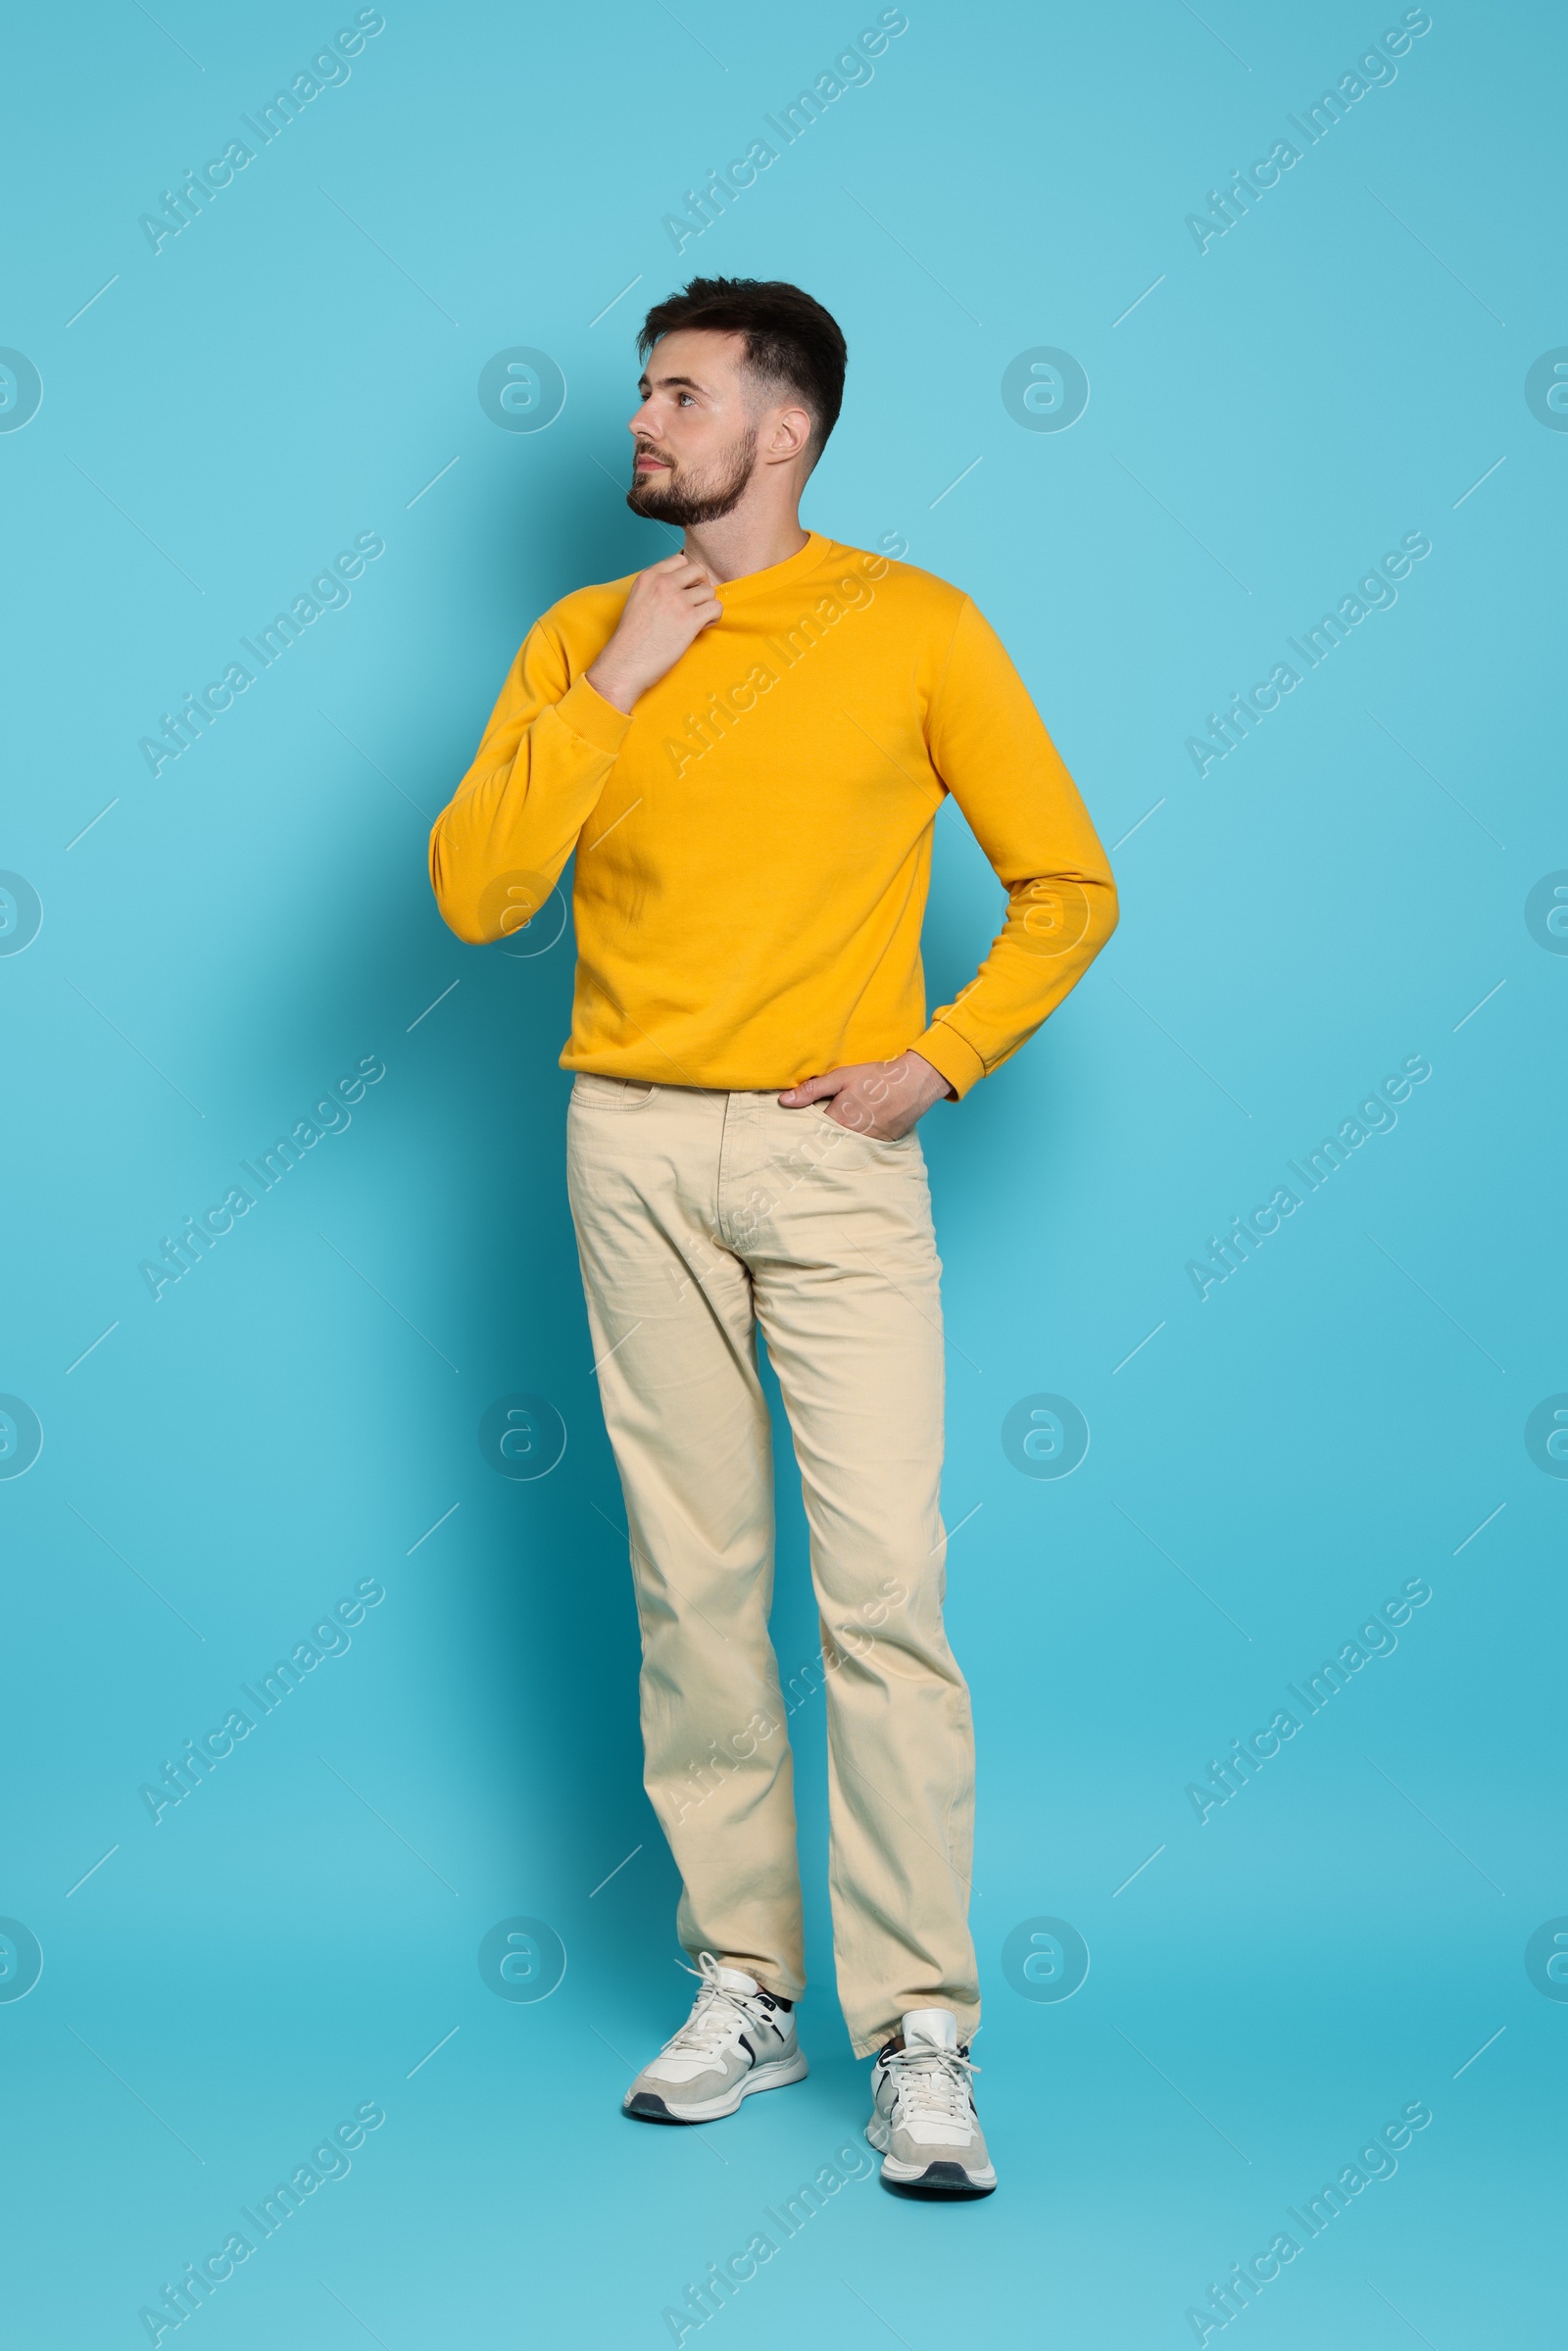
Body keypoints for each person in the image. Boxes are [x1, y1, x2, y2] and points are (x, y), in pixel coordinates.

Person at [429, 276, 1117, 2197]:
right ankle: (746, 1984)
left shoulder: (912, 625)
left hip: (834, 1162)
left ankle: (921, 2034)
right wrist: (613, 694)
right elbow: (480, 895)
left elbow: (1066, 884)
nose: (637, 423)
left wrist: (944, 1057)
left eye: (675, 393)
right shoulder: (584, 633)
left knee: (880, 1584)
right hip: (625, 1145)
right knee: (691, 1584)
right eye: (640, 391)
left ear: (782, 426)